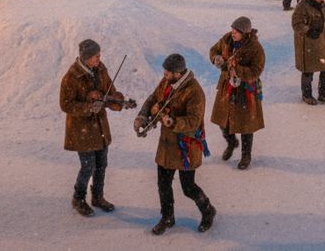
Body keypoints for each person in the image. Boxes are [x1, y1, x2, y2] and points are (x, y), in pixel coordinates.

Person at [135, 53, 216, 236]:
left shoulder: (195, 92)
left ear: (178, 74)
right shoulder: (166, 82)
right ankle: (167, 217)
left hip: (186, 146)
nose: (164, 75)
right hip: (167, 145)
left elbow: (193, 122)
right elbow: (152, 99)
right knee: (163, 184)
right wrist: (142, 115)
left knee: (188, 188)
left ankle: (208, 210)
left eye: (167, 72)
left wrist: (171, 121)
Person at [60, 39, 135, 218]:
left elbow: (109, 92)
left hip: (100, 127)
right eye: (95, 56)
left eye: (99, 55)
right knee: (88, 166)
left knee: (101, 164)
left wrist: (117, 100)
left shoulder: (101, 69)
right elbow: (65, 104)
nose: (98, 59)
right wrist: (88, 106)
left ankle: (98, 197)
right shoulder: (71, 77)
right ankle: (78, 198)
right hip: (81, 130)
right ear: (85, 58)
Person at [209, 17, 265, 170]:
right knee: (223, 120)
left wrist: (238, 70)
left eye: (236, 31)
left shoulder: (255, 48)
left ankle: (246, 155)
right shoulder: (227, 39)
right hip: (226, 86)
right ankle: (231, 142)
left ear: (245, 33)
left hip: (245, 90)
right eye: (232, 30)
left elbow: (256, 70)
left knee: (246, 125)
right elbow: (214, 50)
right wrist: (216, 58)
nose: (233, 33)